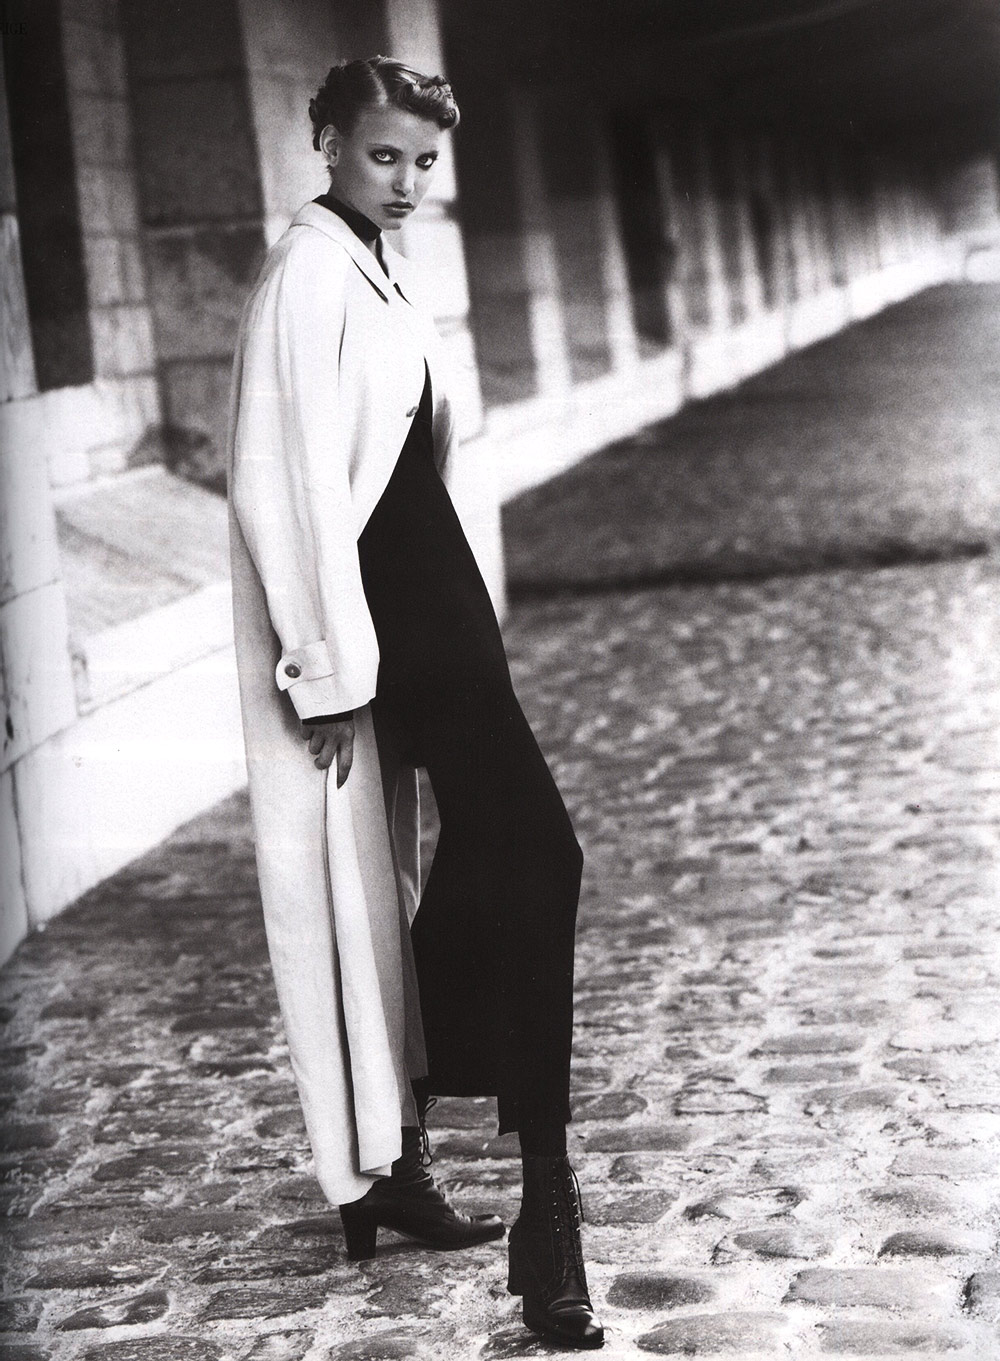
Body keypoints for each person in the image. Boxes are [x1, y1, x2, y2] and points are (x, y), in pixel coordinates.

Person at [227, 56, 603, 1350]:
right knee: (540, 853)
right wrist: (324, 667)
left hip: (440, 617)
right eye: (383, 153)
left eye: (423, 161)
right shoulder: (308, 272)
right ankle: (545, 1211)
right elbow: (281, 482)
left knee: (495, 864)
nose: (404, 180)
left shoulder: (377, 269)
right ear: (327, 140)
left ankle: (400, 1133)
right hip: (390, 627)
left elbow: (417, 460)